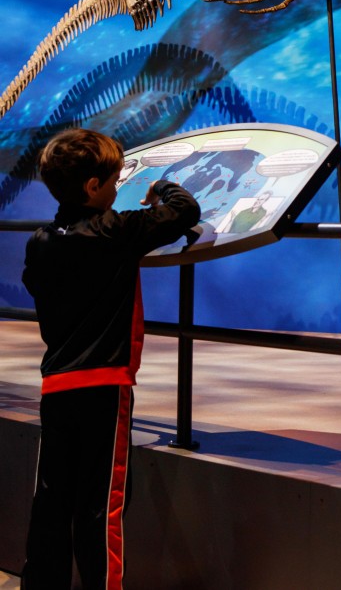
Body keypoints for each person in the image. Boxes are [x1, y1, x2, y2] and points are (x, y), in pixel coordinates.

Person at [20, 128, 201, 590]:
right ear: (92, 187)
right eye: (115, 179)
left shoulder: (40, 241)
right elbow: (185, 211)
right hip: (104, 388)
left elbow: (37, 283)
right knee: (103, 503)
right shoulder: (115, 231)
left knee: (51, 500)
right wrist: (160, 188)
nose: (118, 188)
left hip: (56, 386)